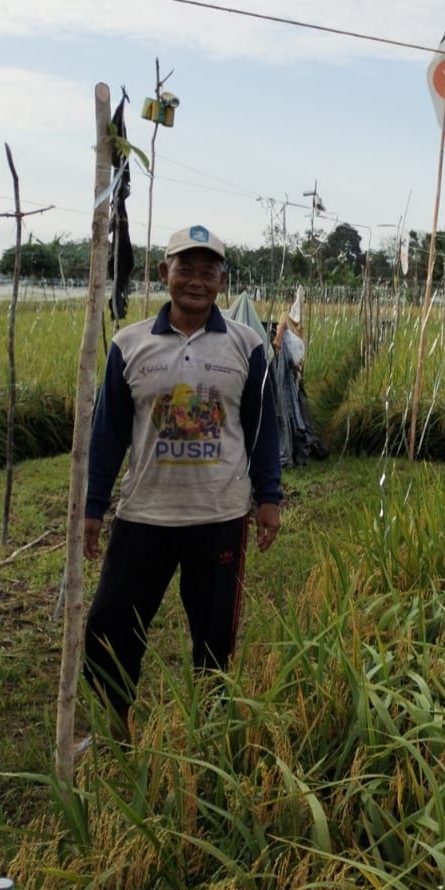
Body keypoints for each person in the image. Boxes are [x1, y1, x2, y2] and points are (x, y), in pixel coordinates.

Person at [81, 225, 282, 742]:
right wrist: (93, 505)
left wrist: (269, 497)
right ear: (164, 273)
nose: (196, 280)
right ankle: (115, 724)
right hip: (144, 513)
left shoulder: (248, 345)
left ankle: (212, 728)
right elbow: (107, 434)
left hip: (219, 516)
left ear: (221, 280)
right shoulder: (130, 344)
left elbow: (262, 430)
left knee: (215, 637)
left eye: (207, 271)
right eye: (184, 268)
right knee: (108, 627)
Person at [272, 304, 327, 466]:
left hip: (294, 378)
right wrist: (277, 343)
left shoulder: (297, 331)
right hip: (287, 379)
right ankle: (296, 450)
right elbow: (278, 342)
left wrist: (298, 368)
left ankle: (300, 449)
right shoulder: (284, 320)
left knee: (296, 411)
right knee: (290, 412)